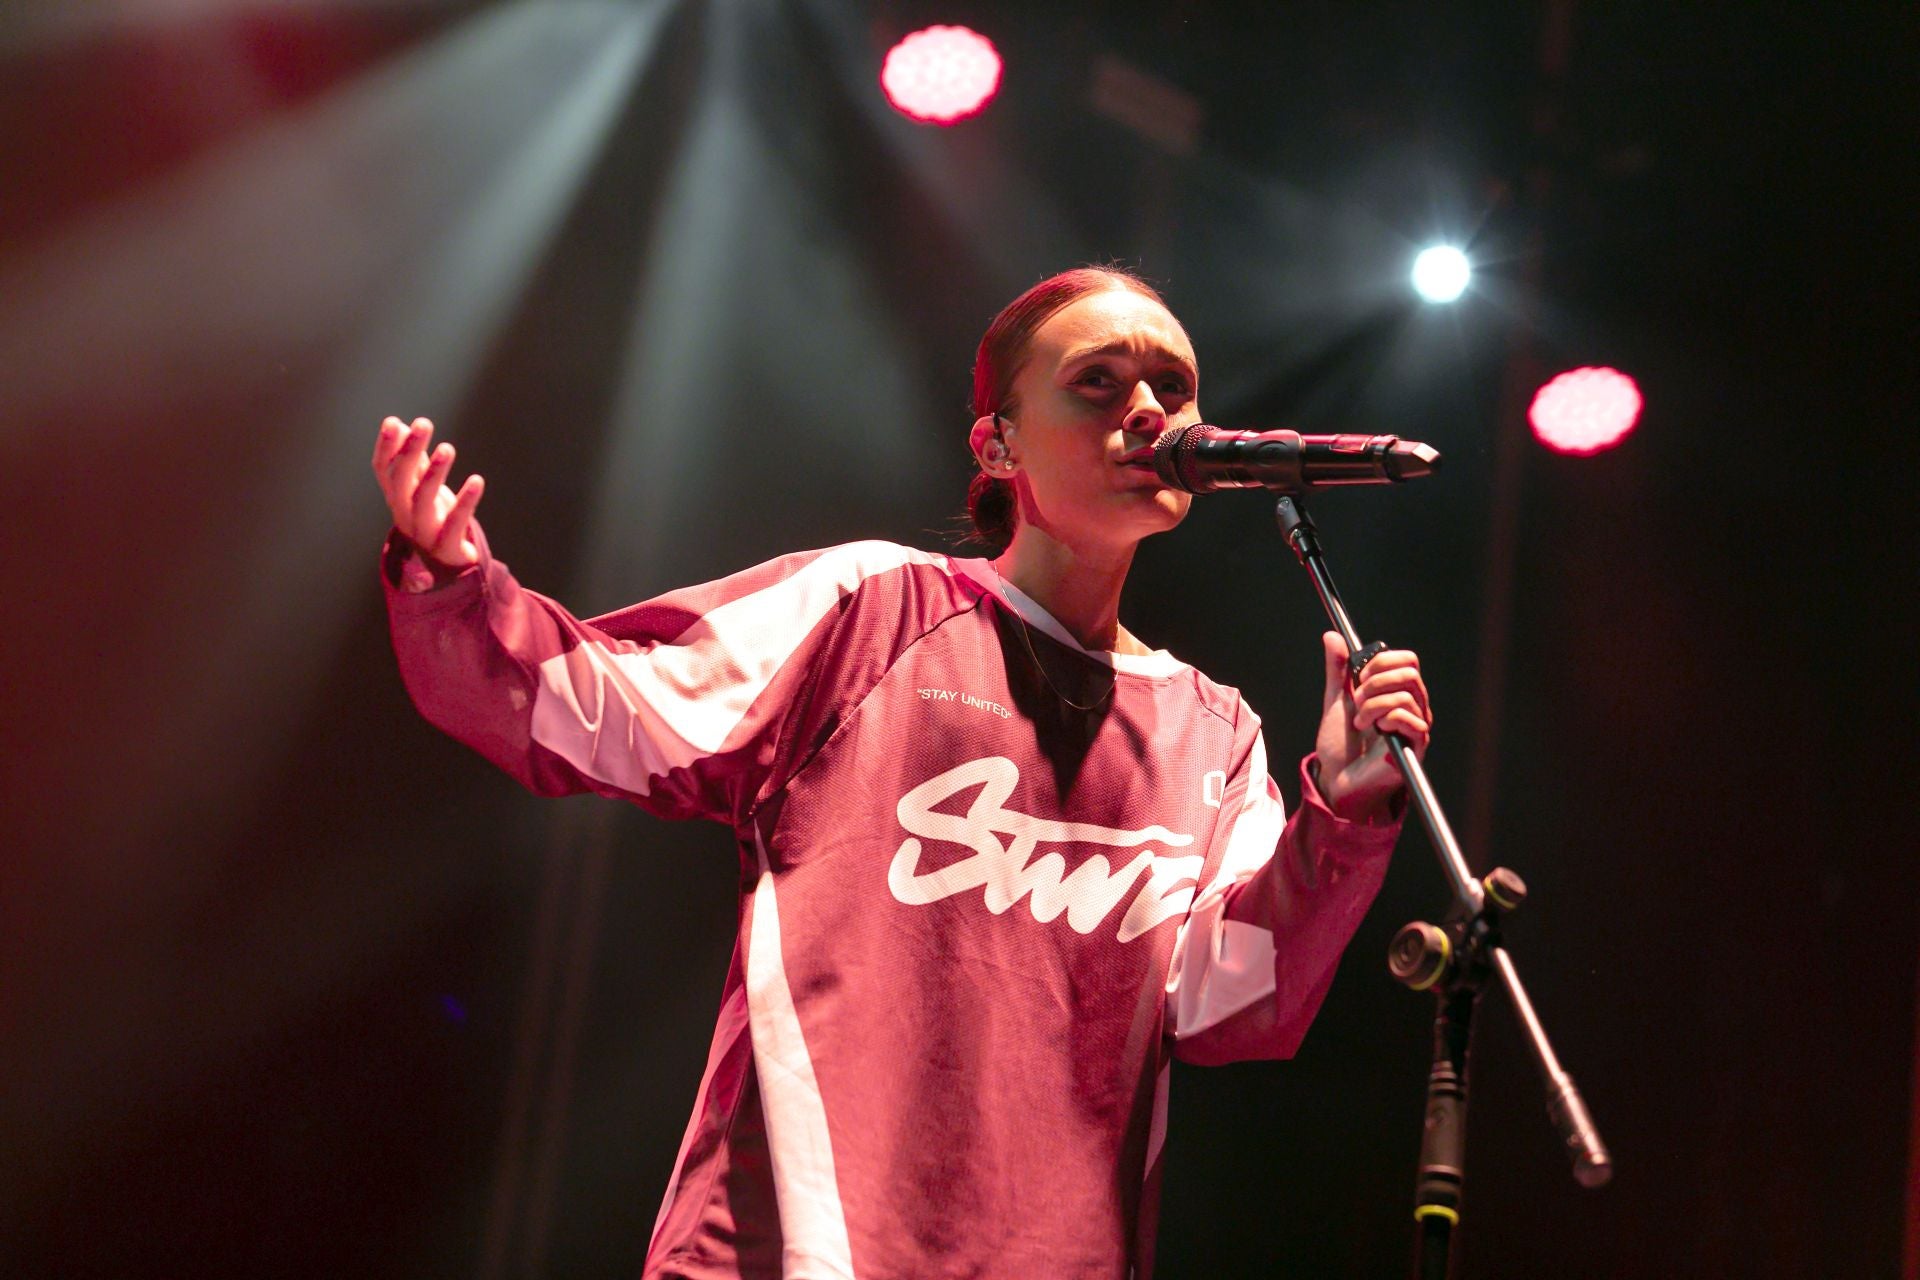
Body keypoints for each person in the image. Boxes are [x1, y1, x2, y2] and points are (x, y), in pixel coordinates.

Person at [372, 266, 1431, 1280]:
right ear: (999, 441)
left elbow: (1230, 1003)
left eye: (1175, 385)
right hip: (793, 1247)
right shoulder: (875, 607)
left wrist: (1341, 813)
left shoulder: (1213, 728)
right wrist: (459, 587)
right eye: (1098, 382)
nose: (1150, 410)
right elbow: (597, 710)